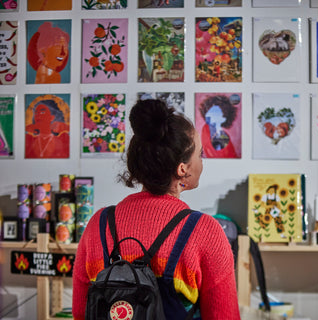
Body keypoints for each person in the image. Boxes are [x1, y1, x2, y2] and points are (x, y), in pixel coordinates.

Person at [72, 99, 241, 319]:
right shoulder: (206, 232)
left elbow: (80, 312)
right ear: (183, 169)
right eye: (199, 154)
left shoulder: (99, 224)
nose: (202, 161)